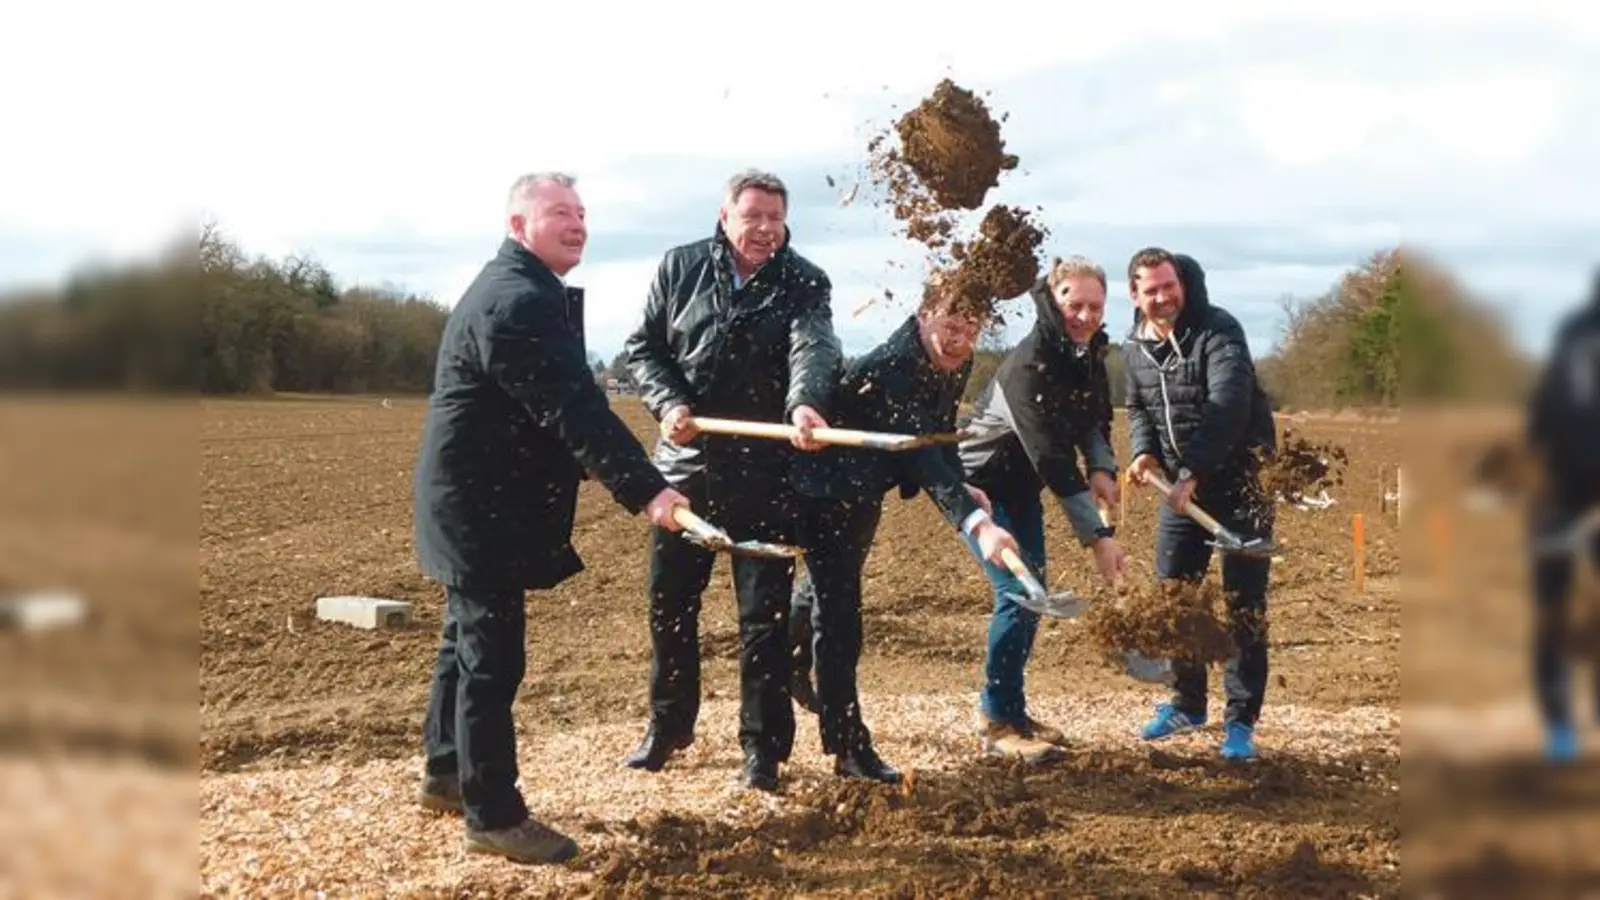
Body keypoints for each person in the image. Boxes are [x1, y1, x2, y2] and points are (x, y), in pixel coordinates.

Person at [411, 172, 693, 865]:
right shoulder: (516, 302)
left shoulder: (522, 290)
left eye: (583, 213)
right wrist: (650, 491)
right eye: (560, 213)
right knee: (489, 660)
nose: (578, 224)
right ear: (518, 226)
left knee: (461, 643)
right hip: (481, 509)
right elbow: (576, 410)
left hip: (473, 501)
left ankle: (447, 773)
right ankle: (494, 814)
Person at [621, 169, 843, 792]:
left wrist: (805, 404)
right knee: (670, 607)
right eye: (754, 217)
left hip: (765, 472)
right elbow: (644, 349)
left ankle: (763, 749)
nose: (766, 230)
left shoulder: (803, 280)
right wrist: (667, 405)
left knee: (764, 619)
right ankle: (667, 727)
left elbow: (814, 347)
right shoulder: (680, 267)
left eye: (776, 218)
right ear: (725, 216)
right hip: (686, 469)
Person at [786, 289, 1025, 783]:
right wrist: (975, 522)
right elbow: (920, 454)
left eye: (971, 330)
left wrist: (964, 485)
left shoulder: (952, 360)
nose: (960, 342)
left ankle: (789, 653)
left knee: (826, 591)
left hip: (866, 485)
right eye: (951, 327)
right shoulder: (892, 367)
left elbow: (938, 434)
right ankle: (848, 748)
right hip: (826, 487)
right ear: (923, 316)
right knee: (839, 615)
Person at [955, 256, 1132, 763]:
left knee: (1034, 591)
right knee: (1019, 594)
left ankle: (1009, 707)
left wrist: (1102, 467)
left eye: (1095, 305)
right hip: (978, 490)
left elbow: (1093, 419)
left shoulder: (1086, 354)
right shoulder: (1028, 365)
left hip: (1020, 488)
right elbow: (1050, 456)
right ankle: (995, 724)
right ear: (1052, 300)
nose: (1084, 314)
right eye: (1073, 303)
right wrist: (1099, 538)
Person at [1121, 246, 1277, 762]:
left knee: (1243, 606)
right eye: (1151, 290)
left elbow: (1228, 404)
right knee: (1174, 596)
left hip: (1243, 482)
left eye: (1170, 285)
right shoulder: (1135, 346)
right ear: (1135, 295)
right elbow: (1139, 407)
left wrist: (1192, 470)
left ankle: (1240, 722)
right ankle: (1188, 704)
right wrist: (1144, 452)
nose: (1163, 297)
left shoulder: (1218, 330)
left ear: (1182, 283)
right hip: (1184, 491)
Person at [1524, 267, 1600, 763]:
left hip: (1560, 489)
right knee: (1553, 610)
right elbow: (1543, 415)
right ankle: (1559, 727)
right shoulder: (1573, 335)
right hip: (1562, 492)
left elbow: (1538, 419)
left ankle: (1563, 726)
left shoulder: (1572, 332)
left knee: (1554, 612)